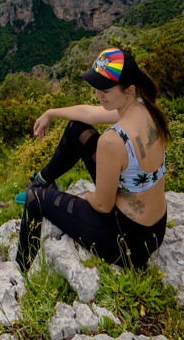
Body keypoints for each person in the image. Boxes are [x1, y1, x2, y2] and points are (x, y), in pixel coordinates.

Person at [16, 47, 170, 271]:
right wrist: (50, 112)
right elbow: (87, 114)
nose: (98, 94)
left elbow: (102, 205)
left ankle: (21, 271)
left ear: (128, 90)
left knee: (34, 199)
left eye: (105, 90)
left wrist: (82, 196)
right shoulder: (144, 106)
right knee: (76, 128)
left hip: (128, 242)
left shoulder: (113, 140)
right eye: (97, 87)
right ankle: (43, 179)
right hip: (156, 229)